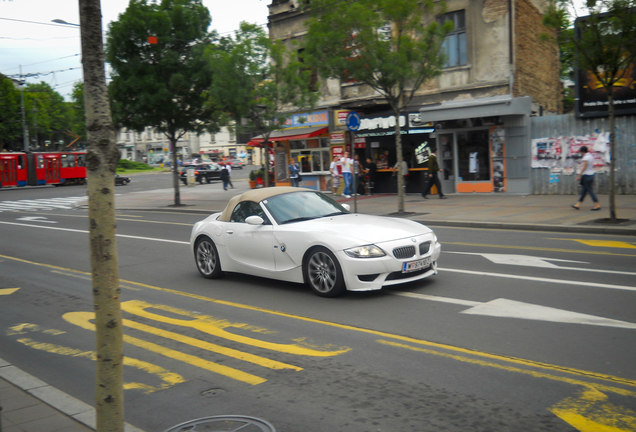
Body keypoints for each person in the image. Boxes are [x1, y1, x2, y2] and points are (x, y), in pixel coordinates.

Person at [572, 146, 601, 211]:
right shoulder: (590, 156)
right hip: (591, 174)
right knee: (584, 191)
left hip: (587, 176)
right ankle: (578, 204)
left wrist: (579, 175)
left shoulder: (585, 158)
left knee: (590, 191)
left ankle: (597, 205)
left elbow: (584, 167)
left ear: (582, 152)